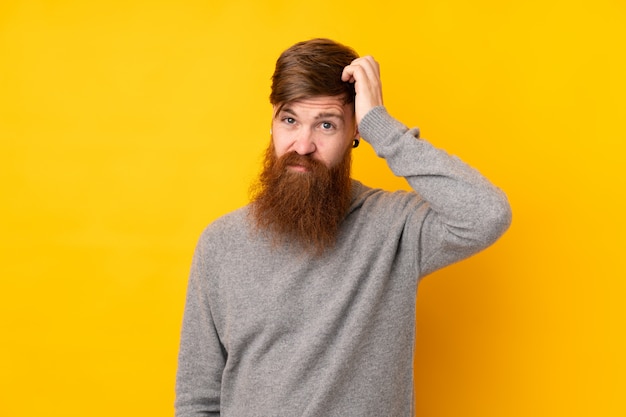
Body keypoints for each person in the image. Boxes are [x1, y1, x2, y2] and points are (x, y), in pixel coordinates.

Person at [175, 38, 511, 417]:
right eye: (290, 120)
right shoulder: (221, 244)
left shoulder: (393, 228)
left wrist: (381, 126)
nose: (303, 144)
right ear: (271, 121)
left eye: (326, 125)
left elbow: (487, 214)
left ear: (355, 132)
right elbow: (197, 401)